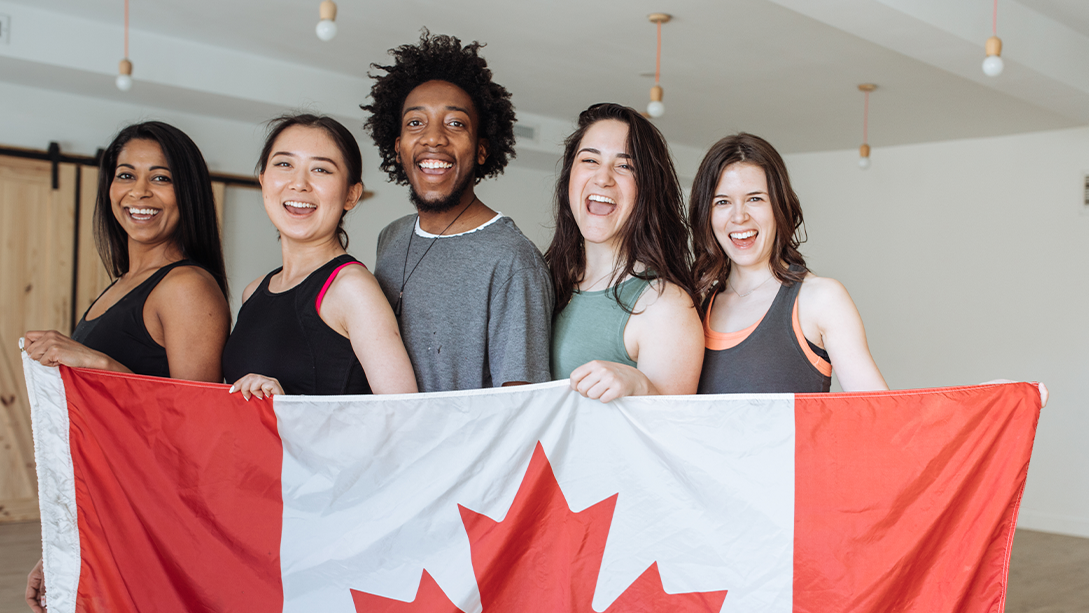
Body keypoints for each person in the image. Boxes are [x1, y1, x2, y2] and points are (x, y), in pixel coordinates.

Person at [23, 120, 231, 612]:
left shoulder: (186, 288)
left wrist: (98, 363)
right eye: (125, 174)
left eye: (161, 177)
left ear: (188, 192)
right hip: (106, 521)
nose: (139, 191)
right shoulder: (119, 286)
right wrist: (63, 548)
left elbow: (197, 438)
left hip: (153, 535)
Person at [362, 31, 553, 392]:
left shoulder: (513, 260)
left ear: (481, 150)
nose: (433, 138)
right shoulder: (391, 237)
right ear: (398, 147)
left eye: (455, 123)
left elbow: (520, 403)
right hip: (387, 445)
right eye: (416, 122)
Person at [222, 114, 417, 398]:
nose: (299, 183)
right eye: (284, 164)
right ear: (264, 181)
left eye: (321, 170)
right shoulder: (253, 292)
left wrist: (293, 409)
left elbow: (403, 416)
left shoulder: (352, 289)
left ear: (351, 195)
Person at [689, 133, 887, 393]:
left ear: (779, 206)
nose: (739, 216)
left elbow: (878, 413)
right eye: (723, 202)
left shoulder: (821, 298)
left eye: (755, 198)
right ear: (707, 214)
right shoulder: (695, 308)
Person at [547, 103, 703, 402]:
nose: (603, 177)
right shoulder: (546, 281)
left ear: (647, 188)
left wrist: (643, 387)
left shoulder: (665, 306)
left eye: (624, 166)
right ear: (569, 176)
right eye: (590, 160)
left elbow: (673, 437)